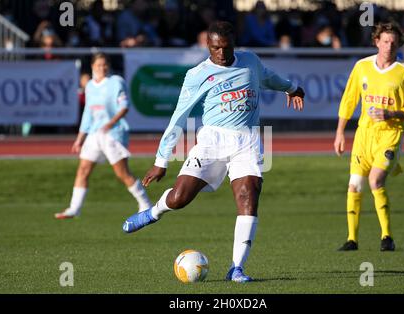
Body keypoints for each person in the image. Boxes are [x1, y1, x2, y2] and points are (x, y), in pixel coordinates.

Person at [122, 21, 305, 282]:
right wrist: (161, 160)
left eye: (226, 47)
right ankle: (154, 212)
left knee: (248, 194)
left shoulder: (249, 60)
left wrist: (291, 88)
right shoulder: (197, 75)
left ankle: (236, 268)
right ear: (208, 45)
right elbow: (178, 117)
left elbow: (268, 77)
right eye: (216, 48)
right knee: (179, 198)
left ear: (234, 43)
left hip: (248, 140)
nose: (221, 53)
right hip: (212, 141)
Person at [334, 22, 404, 252]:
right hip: (364, 135)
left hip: (391, 134)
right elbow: (349, 100)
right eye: (385, 41)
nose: (389, 46)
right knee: (354, 185)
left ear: (399, 44)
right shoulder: (362, 66)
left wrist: (391, 113)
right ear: (376, 42)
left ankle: (387, 237)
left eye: (393, 42)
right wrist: (340, 132)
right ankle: (352, 240)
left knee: (375, 180)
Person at [55, 53, 152, 219]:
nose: (102, 68)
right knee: (83, 169)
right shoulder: (91, 86)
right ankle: (74, 208)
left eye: (105, 64)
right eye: (99, 65)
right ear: (93, 66)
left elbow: (124, 106)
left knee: (122, 173)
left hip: (112, 133)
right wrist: (80, 138)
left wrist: (111, 122)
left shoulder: (116, 82)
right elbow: (88, 113)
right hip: (94, 134)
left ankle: (145, 204)